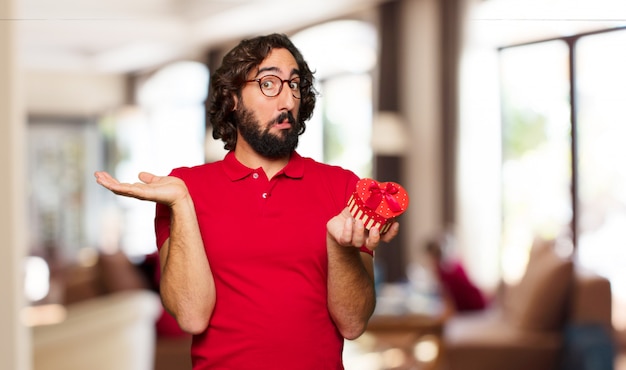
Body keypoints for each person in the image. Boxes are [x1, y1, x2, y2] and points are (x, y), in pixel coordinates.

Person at [94, 33, 399, 369]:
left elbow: (353, 324)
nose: (287, 101)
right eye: (269, 83)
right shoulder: (183, 188)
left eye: (294, 85)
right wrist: (181, 204)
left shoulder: (344, 187)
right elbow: (192, 316)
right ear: (234, 98)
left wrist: (340, 246)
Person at [424, 232, 487, 314]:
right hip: (476, 299)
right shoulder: (453, 263)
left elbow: (447, 297)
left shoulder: (443, 270)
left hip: (472, 304)